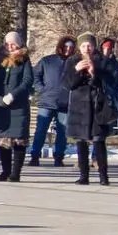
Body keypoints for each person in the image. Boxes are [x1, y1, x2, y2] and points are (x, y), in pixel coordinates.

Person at [65, 31, 118, 186]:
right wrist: (76, 71)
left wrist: (94, 73)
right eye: (83, 45)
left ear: (94, 46)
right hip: (79, 106)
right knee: (81, 141)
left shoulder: (102, 61)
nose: (86, 48)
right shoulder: (72, 61)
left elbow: (110, 82)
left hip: (97, 106)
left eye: (89, 45)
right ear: (79, 47)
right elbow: (68, 84)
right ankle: (84, 176)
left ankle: (104, 176)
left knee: (99, 141)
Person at [0, 36, 34, 182]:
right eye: (7, 44)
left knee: (19, 140)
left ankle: (15, 173)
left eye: (13, 44)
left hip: (18, 105)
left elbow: (27, 81)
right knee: (3, 139)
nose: (10, 46)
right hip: (2, 106)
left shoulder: (24, 60)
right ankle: (5, 171)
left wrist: (13, 95)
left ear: (19, 44)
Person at [29, 36, 72, 167]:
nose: (68, 50)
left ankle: (59, 157)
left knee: (62, 132)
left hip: (65, 103)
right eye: (66, 47)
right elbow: (35, 75)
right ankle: (35, 156)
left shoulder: (74, 63)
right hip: (47, 102)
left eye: (71, 47)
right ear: (60, 46)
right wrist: (42, 89)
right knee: (41, 130)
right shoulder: (47, 61)